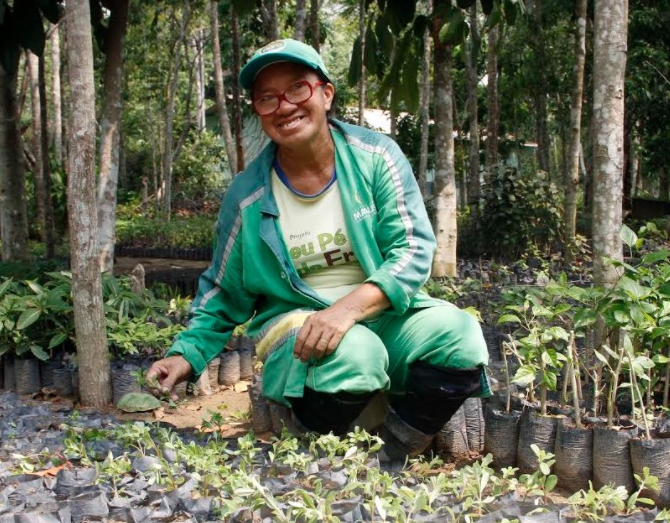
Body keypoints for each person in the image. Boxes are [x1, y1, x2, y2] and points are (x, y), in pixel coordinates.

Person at [146, 39, 489, 464]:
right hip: (296, 322)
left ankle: (394, 454)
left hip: (378, 311)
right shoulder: (247, 196)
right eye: (267, 98)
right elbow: (222, 290)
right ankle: (318, 448)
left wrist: (345, 310)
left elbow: (414, 248)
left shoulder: (376, 158)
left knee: (460, 336)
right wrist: (186, 353)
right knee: (354, 353)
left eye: (297, 89)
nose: (284, 106)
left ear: (326, 94)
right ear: (257, 110)